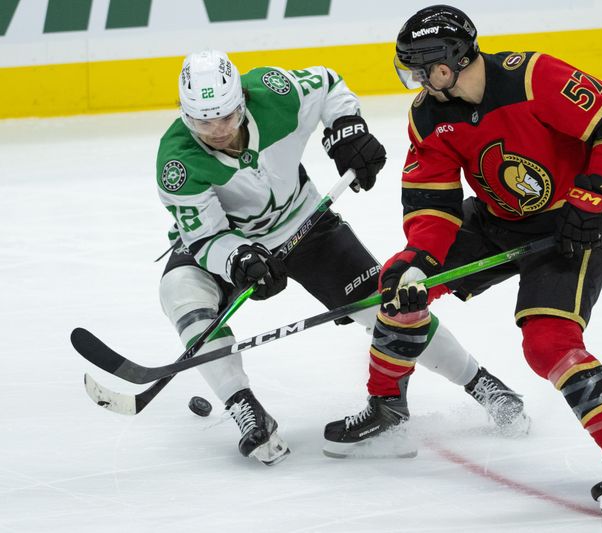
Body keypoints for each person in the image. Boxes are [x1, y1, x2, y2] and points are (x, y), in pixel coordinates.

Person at [324, 5, 602, 516]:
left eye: (429, 69)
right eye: (411, 70)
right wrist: (419, 257)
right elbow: (431, 204)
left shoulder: (536, 78)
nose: (419, 81)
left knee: (548, 342)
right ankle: (388, 409)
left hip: (572, 228)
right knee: (397, 290)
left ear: (459, 57)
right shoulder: (427, 115)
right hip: (495, 220)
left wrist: (595, 198)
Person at [156, 49, 529, 467]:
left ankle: (482, 384)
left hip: (305, 223)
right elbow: (206, 237)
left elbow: (328, 84)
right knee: (180, 292)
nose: (218, 130)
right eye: (203, 121)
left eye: (226, 116)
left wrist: (346, 128)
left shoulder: (273, 92)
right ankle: (245, 409)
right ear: (186, 116)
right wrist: (238, 259)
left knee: (389, 307)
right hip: (233, 242)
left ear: (242, 100)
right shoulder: (177, 162)